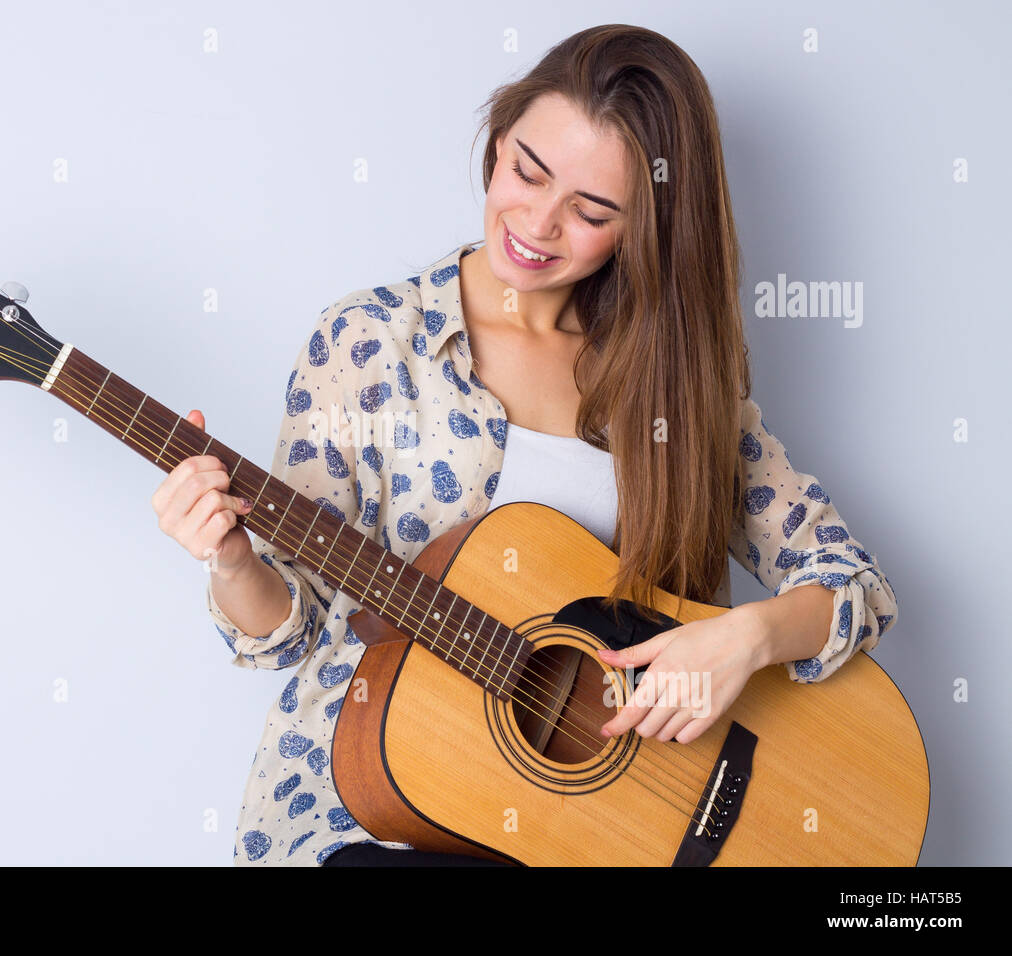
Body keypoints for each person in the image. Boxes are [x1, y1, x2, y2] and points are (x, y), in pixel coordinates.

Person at [150, 24, 898, 867]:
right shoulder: (367, 341)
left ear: (646, 225)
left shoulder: (676, 385)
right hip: (376, 804)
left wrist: (745, 640)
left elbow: (849, 585)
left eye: (592, 211)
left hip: (594, 827)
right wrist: (230, 560)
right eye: (526, 172)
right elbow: (291, 629)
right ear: (499, 140)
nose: (537, 223)